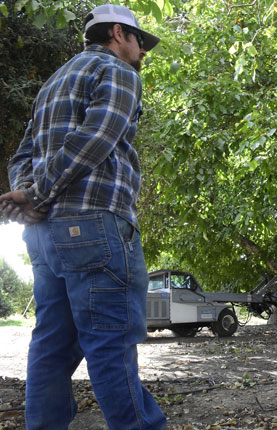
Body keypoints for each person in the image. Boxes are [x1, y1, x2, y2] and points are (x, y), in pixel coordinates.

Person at [0, 5, 165, 429]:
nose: (142, 52)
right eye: (139, 41)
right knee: (111, 345)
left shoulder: (53, 83)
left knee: (51, 348)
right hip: (93, 227)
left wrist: (31, 201)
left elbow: (23, 156)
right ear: (117, 33)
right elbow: (97, 138)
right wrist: (36, 192)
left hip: (43, 235)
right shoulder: (120, 74)